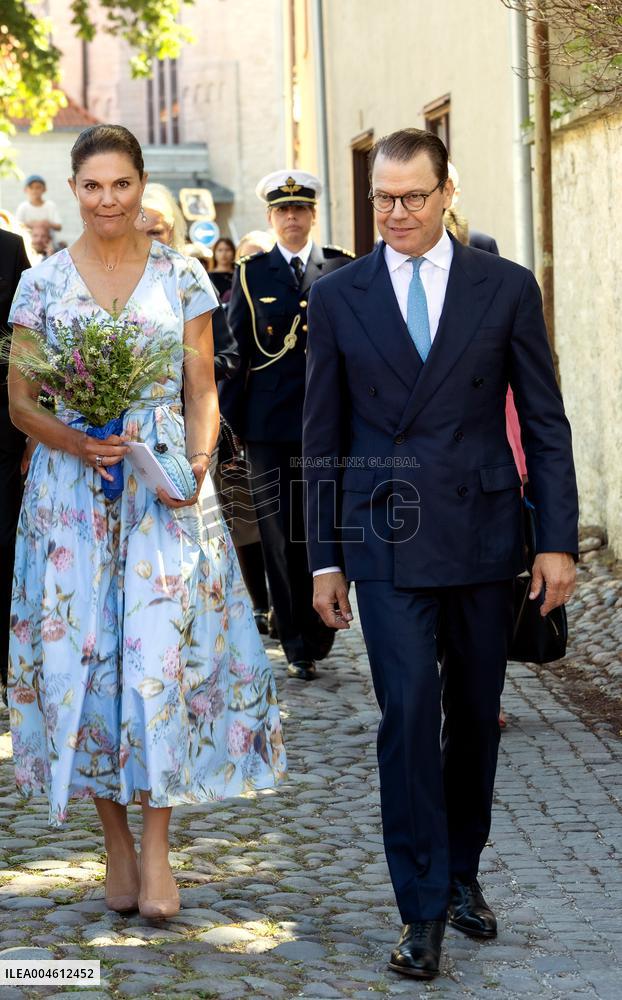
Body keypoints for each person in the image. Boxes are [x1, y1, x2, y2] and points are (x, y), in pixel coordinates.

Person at [303, 128, 578, 979]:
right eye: (383, 198)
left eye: (412, 197)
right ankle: (419, 909)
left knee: (475, 722)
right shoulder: (341, 295)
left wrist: (558, 540)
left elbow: (544, 421)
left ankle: (462, 871)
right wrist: (323, 559)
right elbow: (321, 431)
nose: (395, 213)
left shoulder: (504, 288)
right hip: (384, 533)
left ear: (447, 192)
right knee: (409, 715)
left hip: (484, 532)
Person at [7, 124, 286, 921]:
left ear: (140, 184)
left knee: (160, 662)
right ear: (72, 189)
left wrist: (196, 465)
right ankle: (115, 843)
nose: (107, 200)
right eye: (91, 186)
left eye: (121, 184)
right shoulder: (42, 284)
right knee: (82, 664)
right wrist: (75, 439)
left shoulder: (184, 274)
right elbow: (23, 402)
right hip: (70, 494)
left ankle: (159, 846)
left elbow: (203, 386)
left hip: (161, 490)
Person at [223, 170, 354, 681]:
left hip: (330, 423)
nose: (292, 218)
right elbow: (238, 350)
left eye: (300, 209)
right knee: (279, 535)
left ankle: (321, 628)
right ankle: (296, 641)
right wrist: (234, 423)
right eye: (283, 211)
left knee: (324, 525)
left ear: (313, 214)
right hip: (270, 426)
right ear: (271, 217)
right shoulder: (253, 273)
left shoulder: (341, 266)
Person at [0, 228, 31, 705]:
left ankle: (4, 669)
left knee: (3, 542)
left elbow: (30, 347)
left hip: (2, 429)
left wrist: (31, 434)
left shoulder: (9, 249)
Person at [135, 182, 187, 253]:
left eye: (154, 233)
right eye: (134, 234)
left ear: (171, 232)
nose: (144, 243)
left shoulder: (188, 264)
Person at [209, 237, 236, 301]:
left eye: (227, 250)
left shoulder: (239, 273)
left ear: (233, 252)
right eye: (220, 250)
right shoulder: (209, 277)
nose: (223, 254)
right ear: (214, 253)